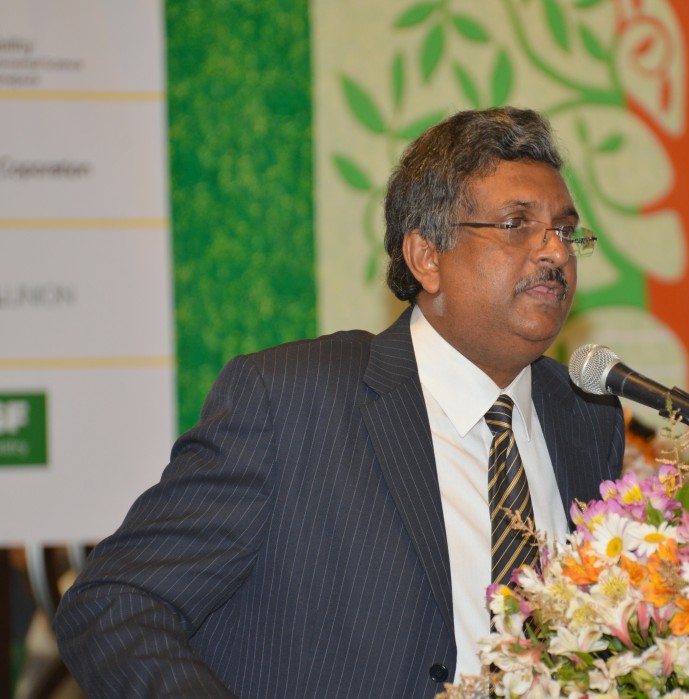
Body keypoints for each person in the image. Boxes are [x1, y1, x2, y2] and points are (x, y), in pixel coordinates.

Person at [53, 106, 625, 698]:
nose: (555, 253)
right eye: (516, 225)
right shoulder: (292, 401)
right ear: (427, 257)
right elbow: (116, 602)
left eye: (565, 230)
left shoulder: (587, 415)